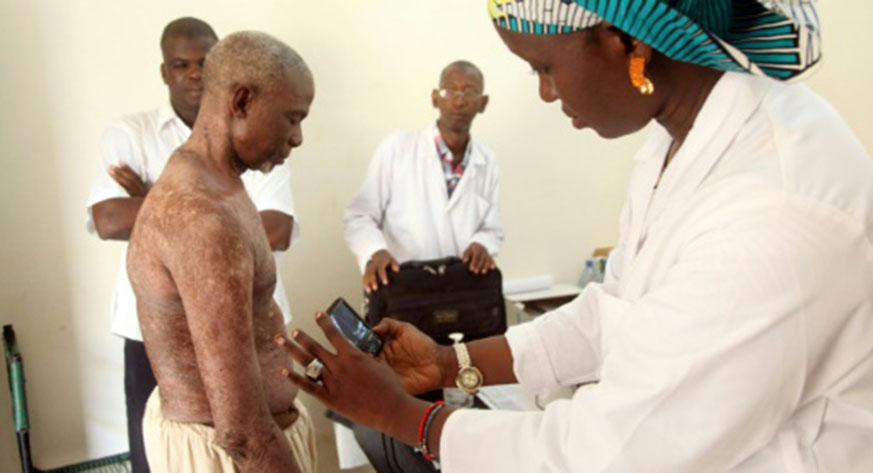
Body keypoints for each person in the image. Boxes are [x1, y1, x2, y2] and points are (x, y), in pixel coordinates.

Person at [278, 1, 873, 472]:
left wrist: (405, 419)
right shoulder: (677, 141)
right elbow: (615, 313)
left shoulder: (772, 207)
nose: (544, 92)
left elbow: (620, 452)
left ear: (630, 43)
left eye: (543, 66)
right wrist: (448, 362)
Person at [85, 17, 300, 473]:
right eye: (292, 118)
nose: (297, 137)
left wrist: (144, 197)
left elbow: (277, 227)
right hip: (229, 454)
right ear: (241, 100)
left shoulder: (222, 180)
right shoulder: (202, 219)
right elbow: (241, 430)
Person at [344, 60, 503, 294]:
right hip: (403, 286)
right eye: (449, 91)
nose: (459, 101)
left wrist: (482, 244)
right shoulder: (396, 148)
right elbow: (359, 216)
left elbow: (492, 228)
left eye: (469, 92)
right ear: (435, 98)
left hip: (461, 289)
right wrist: (375, 252)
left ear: (483, 103)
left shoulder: (486, 160)